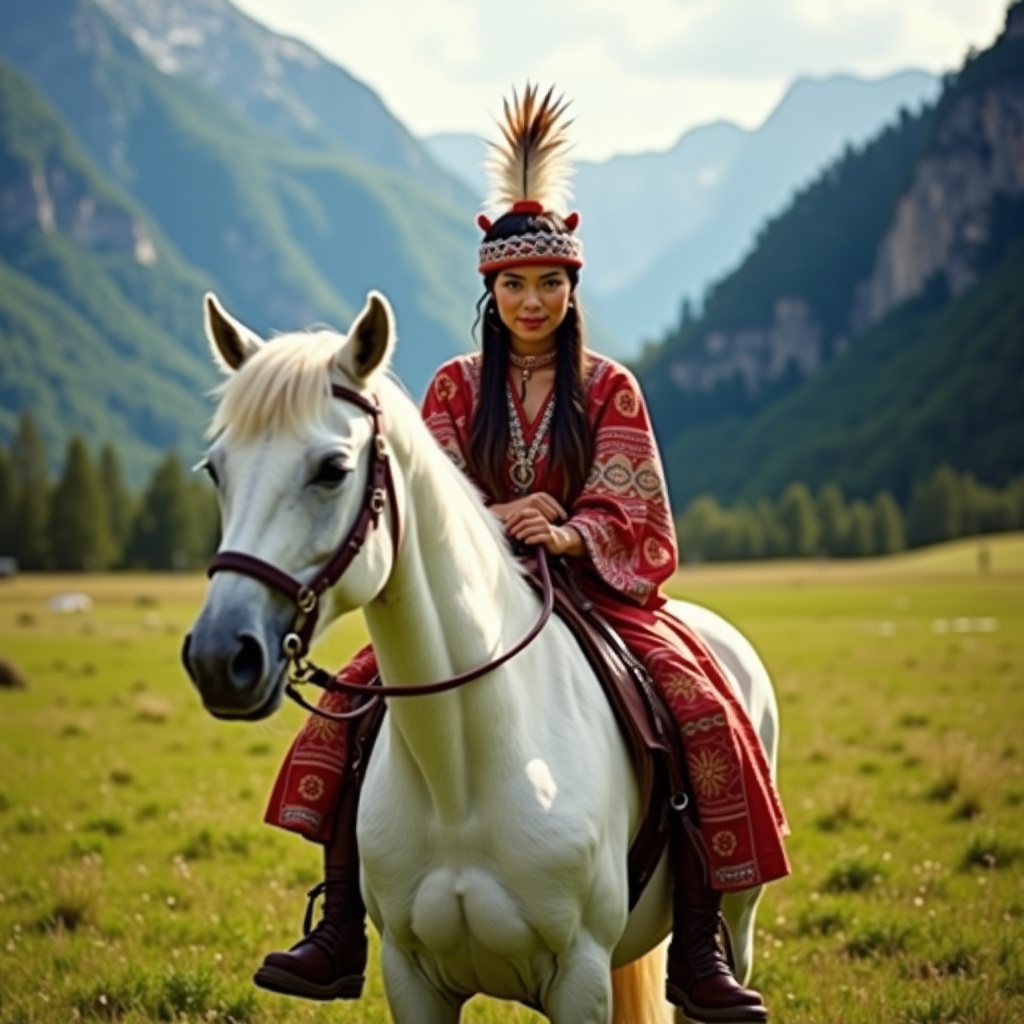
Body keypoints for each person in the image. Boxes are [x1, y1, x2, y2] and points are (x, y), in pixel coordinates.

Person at [253, 85, 790, 1023]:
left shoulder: (610, 388)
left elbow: (642, 512)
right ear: (489, 293)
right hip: (476, 596)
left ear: (573, 287)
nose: (531, 300)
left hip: (595, 596)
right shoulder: (455, 388)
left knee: (701, 707)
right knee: (349, 707)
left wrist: (573, 530)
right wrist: (504, 517)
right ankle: (342, 920)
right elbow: (431, 502)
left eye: (549, 282)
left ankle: (698, 947)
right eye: (513, 284)